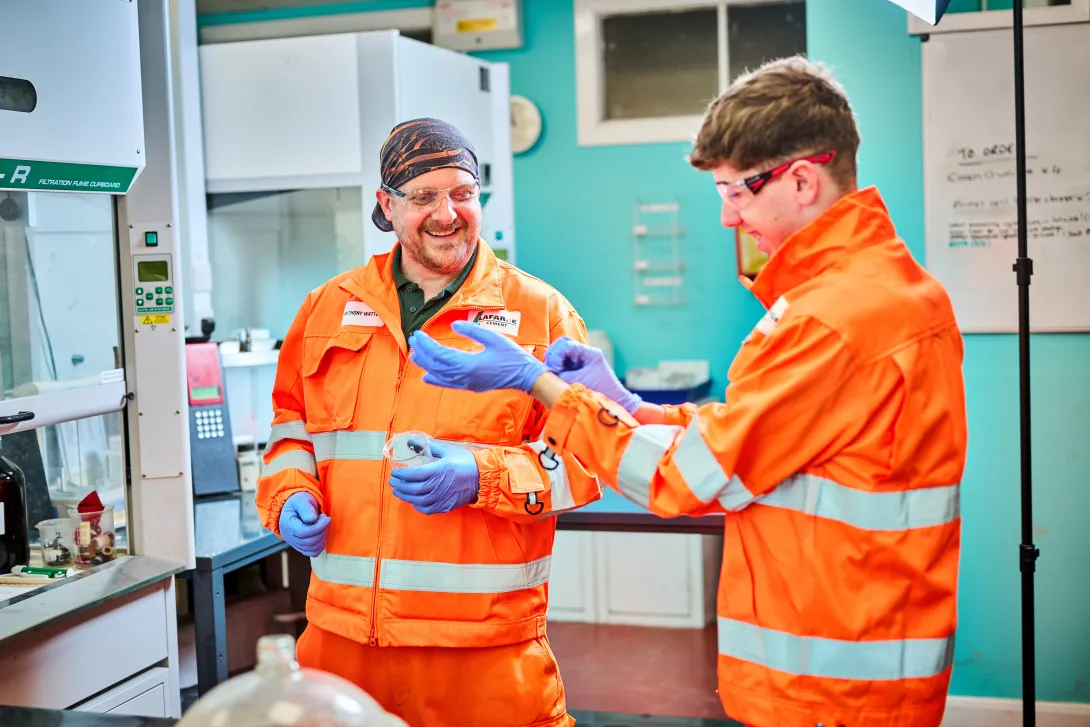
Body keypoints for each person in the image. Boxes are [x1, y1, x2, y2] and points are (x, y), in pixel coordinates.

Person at [405, 57, 968, 727]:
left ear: (801, 179)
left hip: (832, 685)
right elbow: (761, 433)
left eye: (737, 192)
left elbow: (688, 479)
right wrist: (628, 403)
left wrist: (543, 385)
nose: (729, 218)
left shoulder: (834, 318)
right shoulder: (888, 291)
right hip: (865, 657)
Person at [255, 117, 601, 727]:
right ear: (387, 206)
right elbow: (291, 428)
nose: (448, 213)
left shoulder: (539, 313)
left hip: (482, 649)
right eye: (423, 197)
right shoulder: (326, 307)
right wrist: (288, 494)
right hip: (342, 641)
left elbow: (586, 458)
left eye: (463, 193)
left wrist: (480, 474)